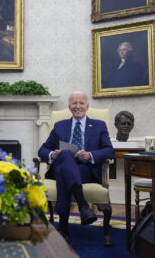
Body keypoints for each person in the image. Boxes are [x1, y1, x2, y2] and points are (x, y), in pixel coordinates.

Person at [38, 92, 114, 241]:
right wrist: (52, 154)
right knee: (65, 154)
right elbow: (42, 150)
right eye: (74, 103)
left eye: (81, 103)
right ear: (69, 107)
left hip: (86, 170)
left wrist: (90, 155)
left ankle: (63, 228)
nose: (77, 106)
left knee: (63, 172)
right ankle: (83, 206)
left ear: (87, 106)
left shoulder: (99, 125)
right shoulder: (60, 126)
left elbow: (109, 150)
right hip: (64, 166)